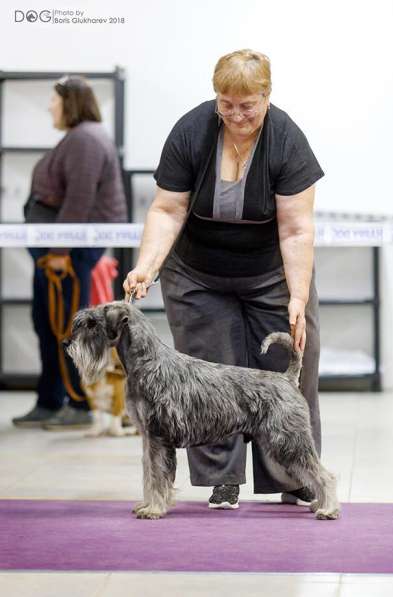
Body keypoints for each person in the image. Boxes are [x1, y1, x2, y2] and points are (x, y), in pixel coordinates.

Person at [123, 49, 323, 508]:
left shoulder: (288, 140)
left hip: (271, 271)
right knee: (202, 379)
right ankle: (222, 478)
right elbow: (167, 208)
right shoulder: (191, 131)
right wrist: (146, 266)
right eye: (226, 103)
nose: (236, 114)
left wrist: (296, 297)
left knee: (288, 373)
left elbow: (296, 229)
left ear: (267, 96)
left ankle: (294, 477)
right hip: (198, 274)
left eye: (247, 105)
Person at [13, 75, 127, 430]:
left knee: (66, 325)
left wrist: (60, 248)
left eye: (54, 100)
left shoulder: (85, 139)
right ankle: (51, 400)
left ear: (70, 102)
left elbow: (79, 197)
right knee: (46, 321)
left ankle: (77, 404)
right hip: (58, 250)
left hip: (67, 251)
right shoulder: (80, 138)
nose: (49, 106)